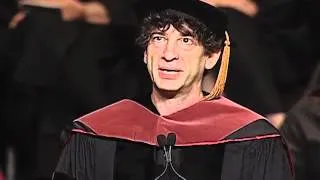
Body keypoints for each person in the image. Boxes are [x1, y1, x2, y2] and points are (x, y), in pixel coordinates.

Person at [53, 0, 294, 179]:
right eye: (158, 38)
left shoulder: (251, 138)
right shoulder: (97, 133)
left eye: (186, 41)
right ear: (146, 53)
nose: (169, 54)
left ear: (211, 57)